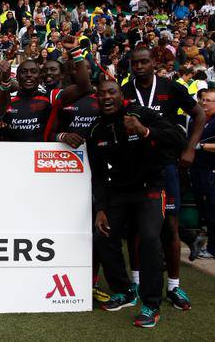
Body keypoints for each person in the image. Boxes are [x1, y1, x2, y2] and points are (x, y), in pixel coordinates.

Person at [90, 80, 186, 328]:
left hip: (151, 188)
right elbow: (98, 174)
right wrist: (100, 208)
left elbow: (177, 138)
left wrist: (144, 130)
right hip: (118, 192)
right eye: (101, 94)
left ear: (122, 95)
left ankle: (151, 304)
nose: (107, 97)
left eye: (112, 92)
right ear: (97, 98)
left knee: (150, 238)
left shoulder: (142, 114)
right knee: (102, 236)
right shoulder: (96, 129)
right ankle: (124, 290)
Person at [121, 47, 205, 311]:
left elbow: (200, 115)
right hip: (135, 167)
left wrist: (190, 148)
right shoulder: (125, 91)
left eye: (144, 62)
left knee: (170, 226)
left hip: (166, 163)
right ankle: (135, 283)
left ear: (154, 63)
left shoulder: (171, 87)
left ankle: (174, 286)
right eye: (135, 63)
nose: (139, 67)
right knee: (135, 227)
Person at [190, 89, 215, 259]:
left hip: (211, 171)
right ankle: (204, 239)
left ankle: (213, 248)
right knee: (203, 208)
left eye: (209, 101)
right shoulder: (197, 120)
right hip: (197, 169)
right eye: (202, 99)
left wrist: (203, 146)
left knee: (213, 209)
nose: (204, 103)